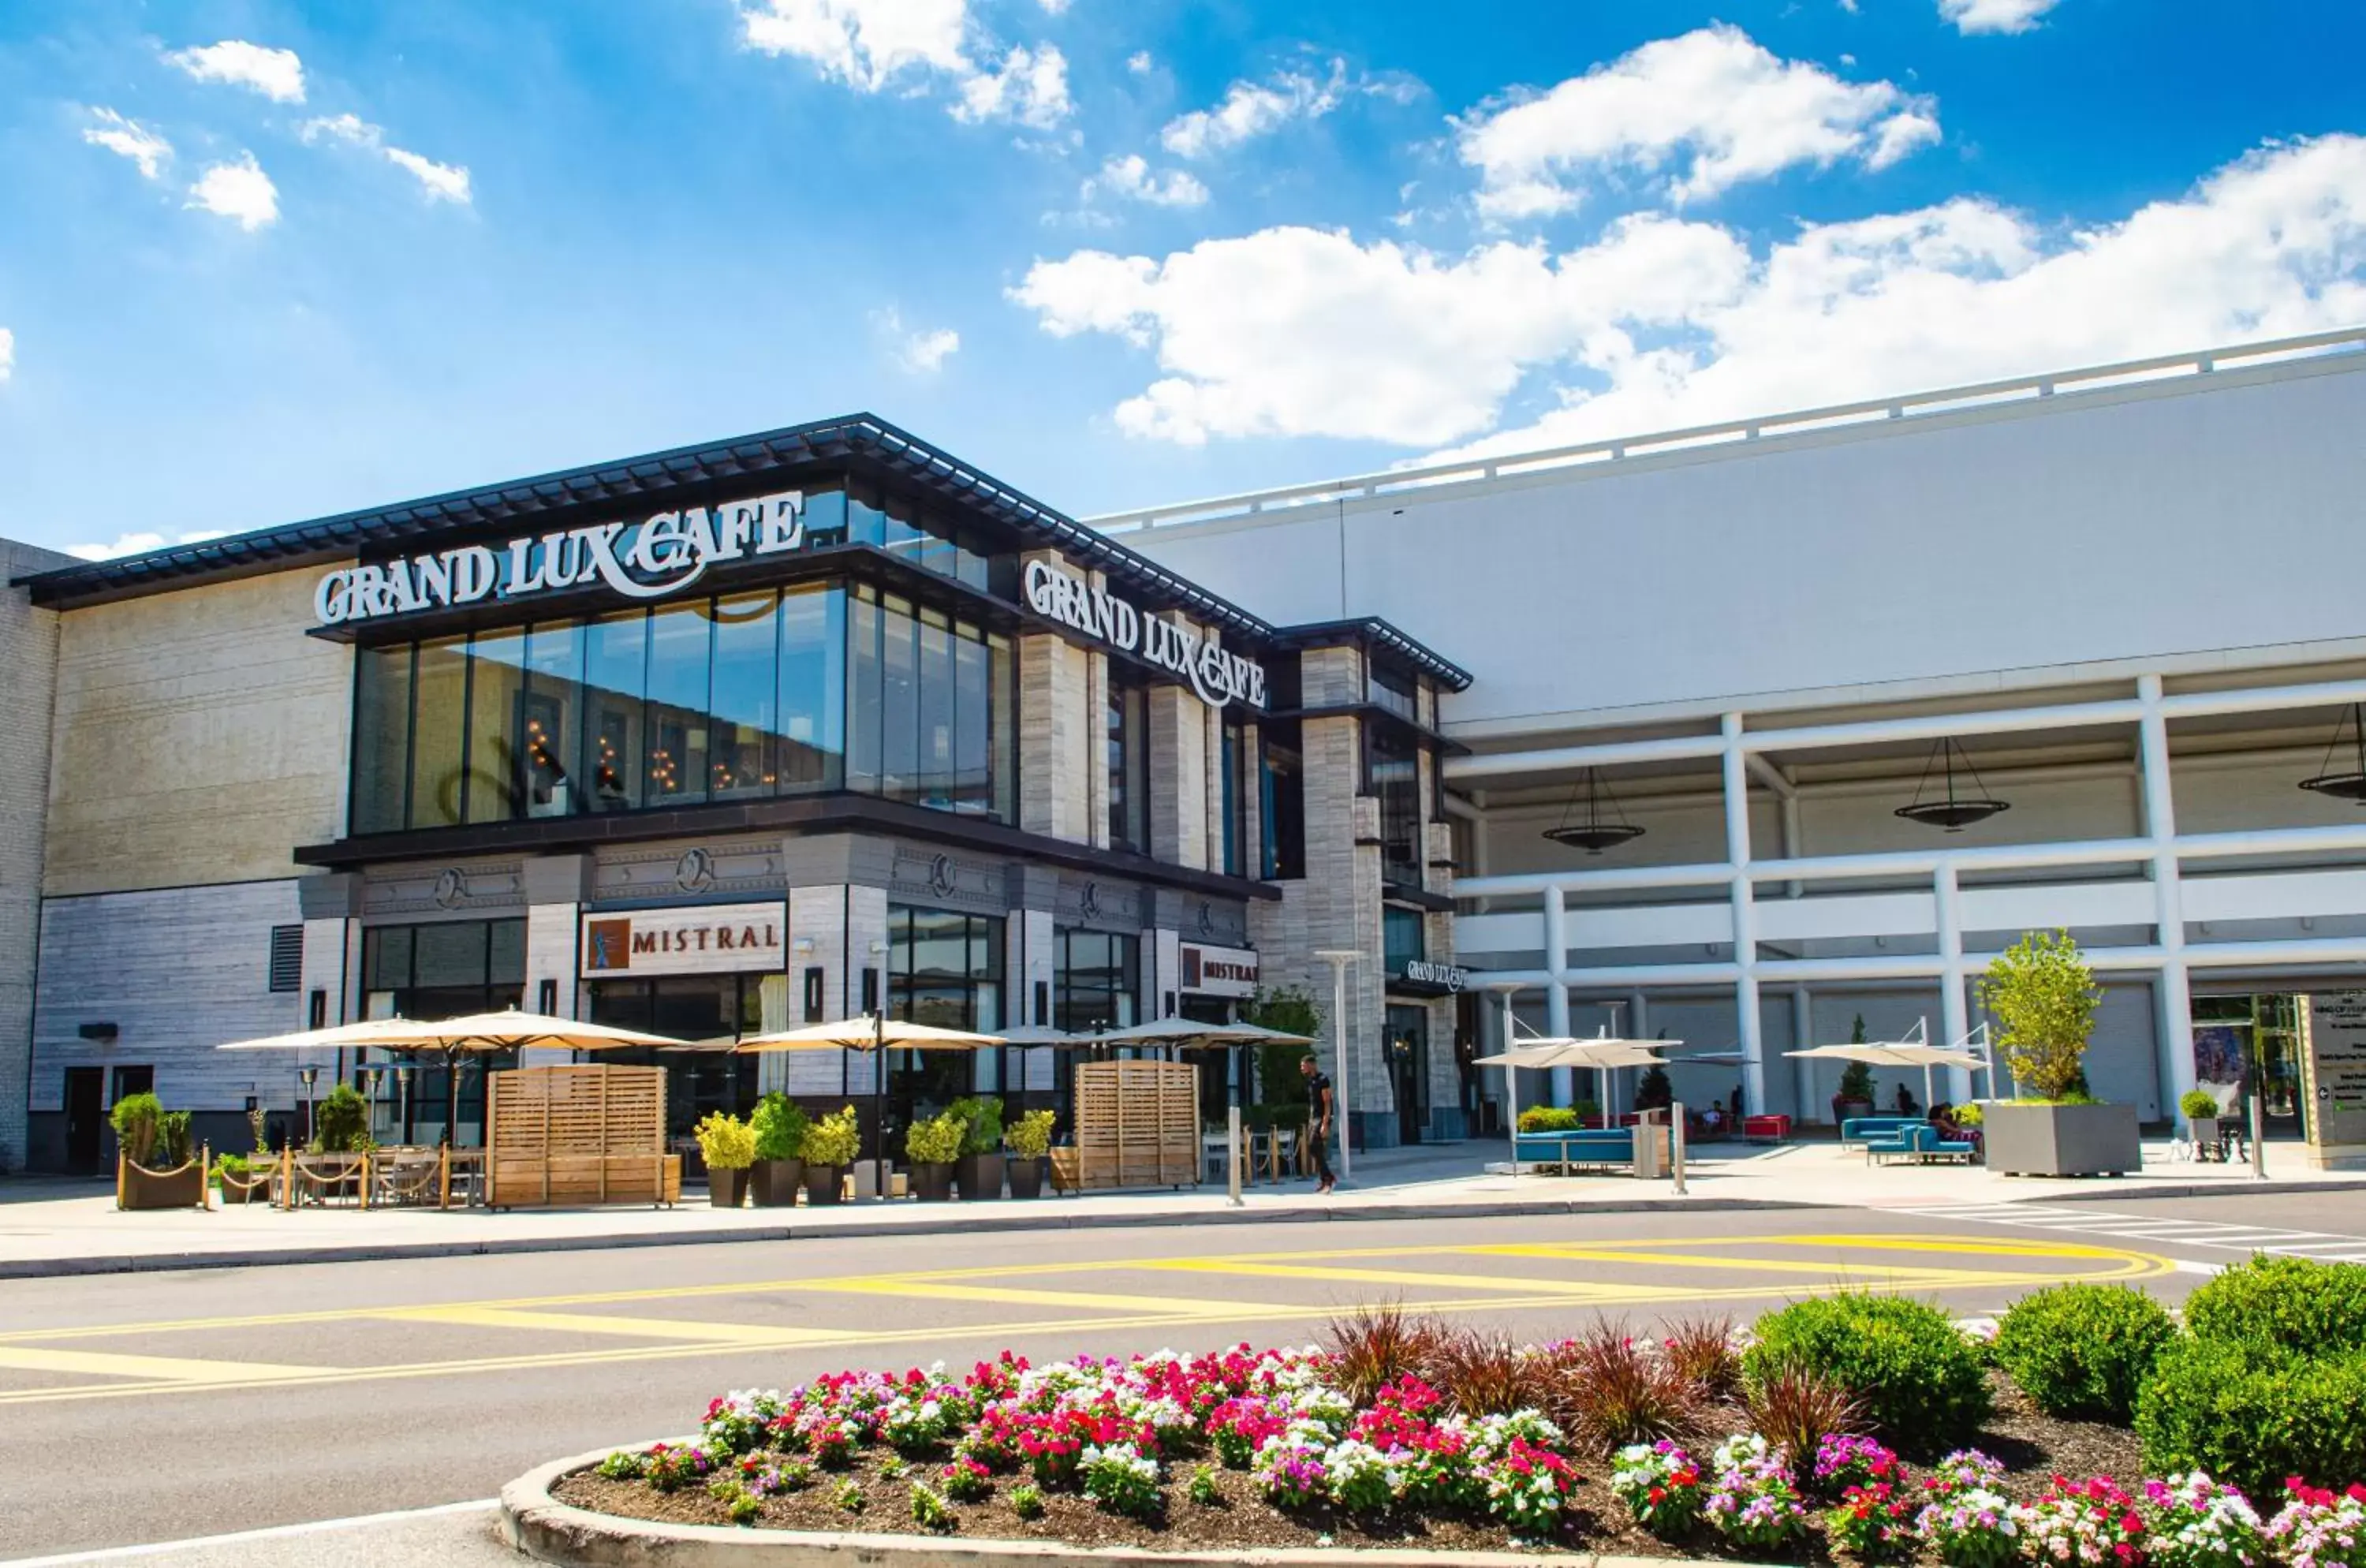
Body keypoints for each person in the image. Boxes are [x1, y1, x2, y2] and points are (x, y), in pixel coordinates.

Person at [1298, 1054, 1337, 1195]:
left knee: (1314, 1147)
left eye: (1304, 1065)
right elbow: (1312, 1103)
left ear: (1312, 1065)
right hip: (1314, 1119)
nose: (1302, 1068)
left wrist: (1325, 1124)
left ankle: (1328, 1179)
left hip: (1322, 1118)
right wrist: (1310, 1120)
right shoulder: (1310, 1081)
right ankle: (1326, 1178)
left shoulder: (1323, 1080)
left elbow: (1327, 1102)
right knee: (1314, 1148)